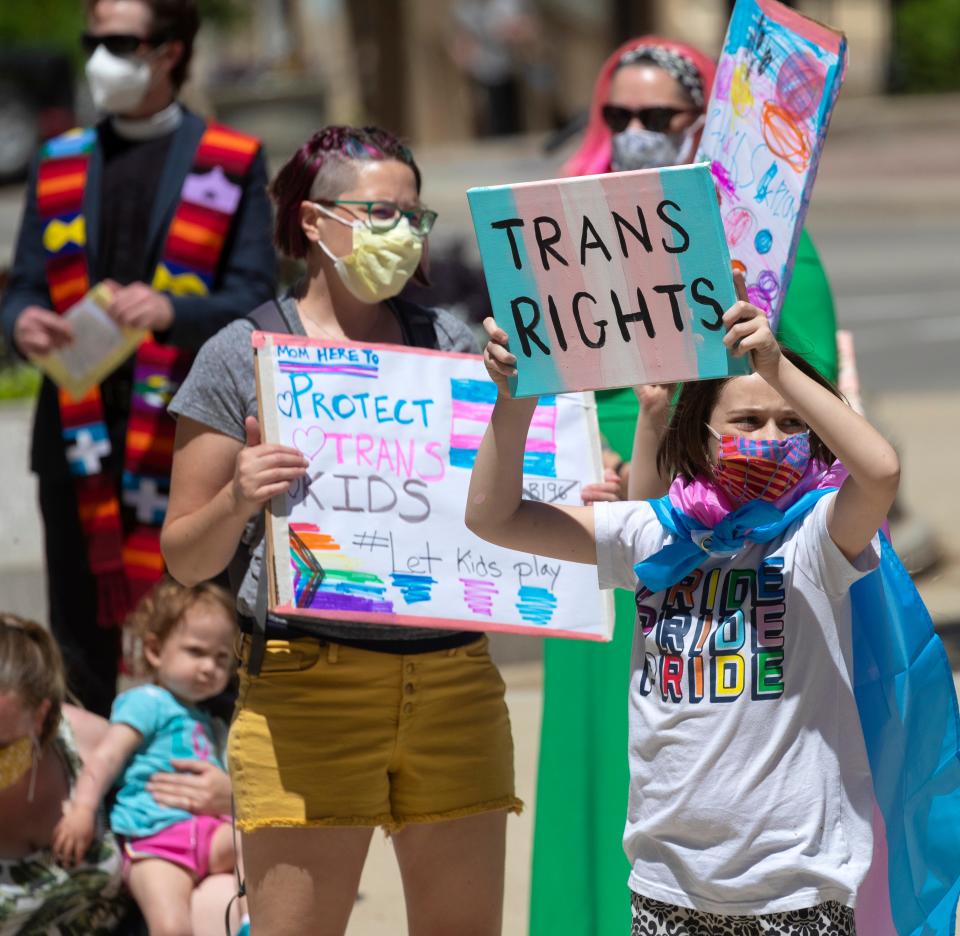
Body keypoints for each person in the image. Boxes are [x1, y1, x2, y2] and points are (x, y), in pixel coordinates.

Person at [161, 125, 521, 935]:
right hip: (306, 690)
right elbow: (185, 558)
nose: (402, 233)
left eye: (413, 217)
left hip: (454, 681)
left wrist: (569, 477)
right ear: (315, 223)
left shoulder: (454, 343)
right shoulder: (240, 353)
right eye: (380, 213)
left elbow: (505, 503)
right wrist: (237, 500)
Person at [468, 275, 899, 935]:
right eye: (747, 421)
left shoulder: (816, 538)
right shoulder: (653, 534)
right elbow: (496, 518)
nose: (771, 435)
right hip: (668, 885)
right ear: (702, 435)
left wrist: (777, 367)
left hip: (798, 888)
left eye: (791, 423)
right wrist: (513, 399)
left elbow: (880, 471)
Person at [532, 36, 841, 934]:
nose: (633, 133)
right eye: (616, 117)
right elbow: (535, 393)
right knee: (600, 758)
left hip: (721, 543)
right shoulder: (567, 232)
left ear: (700, 122)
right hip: (602, 527)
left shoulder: (769, 242)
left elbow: (813, 399)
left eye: (655, 118)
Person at [0, 0, 275, 717]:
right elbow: (25, 282)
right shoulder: (60, 159)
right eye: (93, 41)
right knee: (80, 642)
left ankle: (203, 807)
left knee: (201, 634)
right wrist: (20, 318)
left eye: (119, 42)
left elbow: (255, 296)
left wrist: (170, 311)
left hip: (188, 438)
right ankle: (88, 800)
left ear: (171, 50)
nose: (99, 57)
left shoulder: (232, 160)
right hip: (79, 437)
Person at [52, 578, 241, 936]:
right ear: (154, 650)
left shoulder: (208, 720)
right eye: (196, 652)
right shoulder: (146, 703)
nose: (209, 668)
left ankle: (251, 921)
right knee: (170, 927)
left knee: (259, 836)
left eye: (221, 658)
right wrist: (82, 809)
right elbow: (106, 757)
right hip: (156, 841)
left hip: (207, 832)